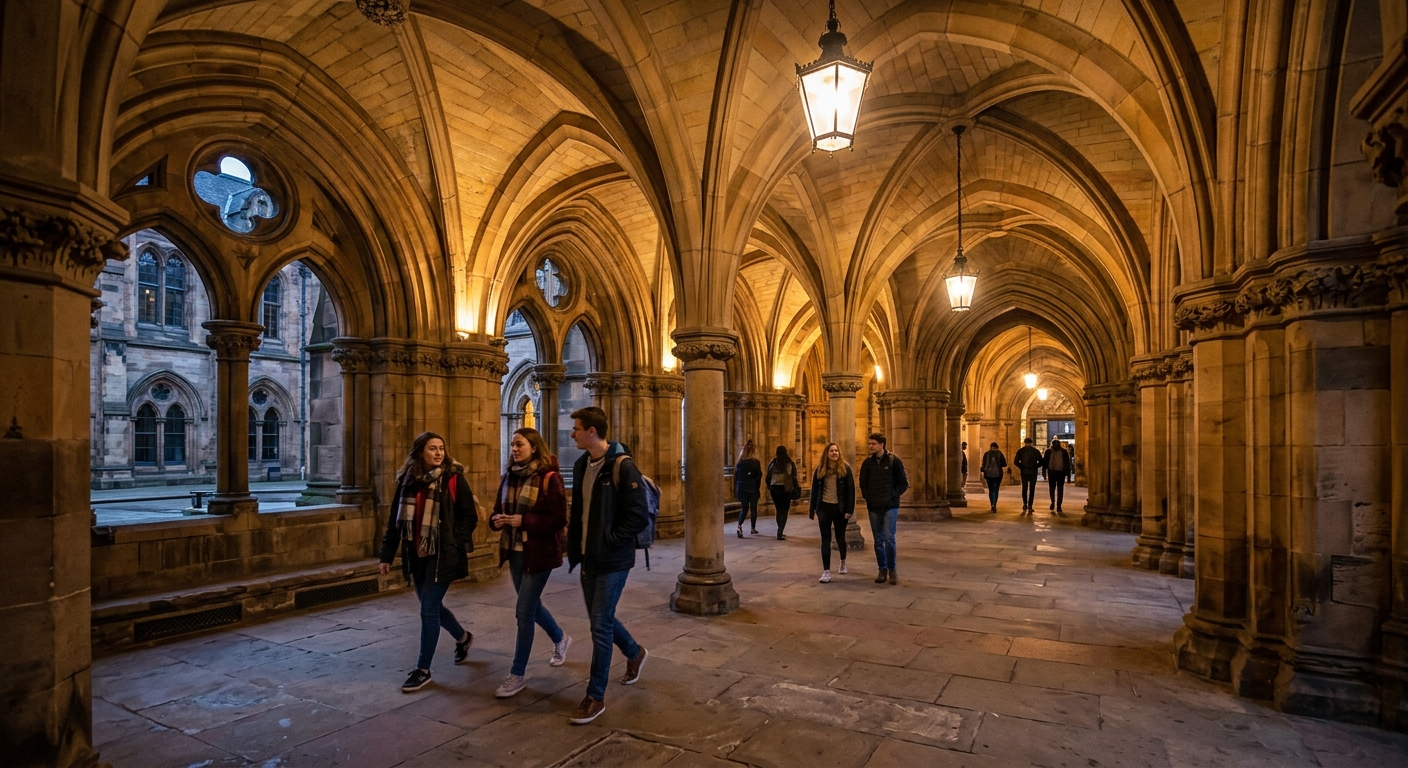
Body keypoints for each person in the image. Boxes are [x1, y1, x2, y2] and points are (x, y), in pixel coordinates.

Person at [565, 406, 649, 725]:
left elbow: (638, 513)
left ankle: (595, 696)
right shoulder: (581, 464)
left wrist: (613, 539)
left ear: (592, 432)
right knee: (601, 618)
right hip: (589, 556)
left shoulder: (622, 466)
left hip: (613, 558)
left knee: (599, 622)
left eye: (576, 428)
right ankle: (634, 652)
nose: (572, 433)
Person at [378, 431, 478, 693]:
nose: (438, 453)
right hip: (417, 556)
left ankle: (423, 669)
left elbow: (469, 516)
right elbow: (394, 522)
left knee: (428, 610)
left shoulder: (453, 479)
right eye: (432, 448)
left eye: (442, 448)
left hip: (442, 555)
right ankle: (463, 638)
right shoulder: (407, 481)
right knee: (431, 606)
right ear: (420, 452)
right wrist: (386, 556)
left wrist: (454, 542)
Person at [489, 427, 572, 698]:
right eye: (512, 444)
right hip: (514, 551)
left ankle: (517, 674)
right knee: (532, 604)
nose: (514, 449)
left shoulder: (549, 478)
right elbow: (496, 512)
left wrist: (522, 520)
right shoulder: (508, 478)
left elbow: (558, 519)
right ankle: (560, 637)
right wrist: (497, 520)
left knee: (523, 611)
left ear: (534, 447)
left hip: (540, 553)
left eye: (519, 444)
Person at [858, 433, 909, 585]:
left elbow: (904, 483)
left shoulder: (894, 460)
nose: (870, 446)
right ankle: (882, 569)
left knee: (888, 538)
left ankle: (892, 570)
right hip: (874, 506)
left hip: (890, 506)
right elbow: (863, 483)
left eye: (873, 443)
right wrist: (869, 497)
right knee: (878, 540)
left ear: (882, 445)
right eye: (869, 443)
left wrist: (892, 496)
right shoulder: (867, 463)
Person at [808, 442, 854, 583]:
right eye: (832, 451)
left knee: (840, 537)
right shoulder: (820, 469)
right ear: (826, 454)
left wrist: (849, 509)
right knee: (825, 539)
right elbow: (814, 490)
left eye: (836, 451)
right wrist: (812, 509)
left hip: (840, 509)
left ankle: (842, 562)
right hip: (824, 508)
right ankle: (826, 571)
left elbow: (851, 490)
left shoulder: (845, 468)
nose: (835, 453)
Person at [765, 445, 800, 540]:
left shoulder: (772, 463)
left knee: (778, 510)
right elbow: (792, 476)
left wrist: (769, 486)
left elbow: (768, 477)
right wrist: (796, 487)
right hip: (785, 489)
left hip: (774, 489)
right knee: (784, 511)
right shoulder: (788, 463)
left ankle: (780, 530)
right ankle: (780, 532)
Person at [734, 440, 763, 538]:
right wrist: (757, 487)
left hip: (742, 488)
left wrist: (737, 489)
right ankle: (752, 528)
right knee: (753, 508)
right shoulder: (755, 463)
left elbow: (736, 477)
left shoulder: (739, 463)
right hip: (752, 488)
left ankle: (739, 526)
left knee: (744, 508)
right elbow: (759, 476)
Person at [1013, 437, 1043, 515]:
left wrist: (1021, 466)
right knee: (1031, 489)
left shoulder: (1021, 451)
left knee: (1025, 488)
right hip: (1032, 472)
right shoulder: (1035, 451)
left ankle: (1025, 504)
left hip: (1025, 472)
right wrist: (1035, 466)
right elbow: (1041, 461)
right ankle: (1029, 505)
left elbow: (1016, 461)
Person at [1044, 439, 1072, 515]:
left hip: (1060, 473)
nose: (1056, 445)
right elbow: (1045, 462)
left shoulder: (1063, 452)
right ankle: (1053, 502)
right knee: (1053, 488)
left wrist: (1068, 475)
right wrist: (1044, 472)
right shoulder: (1048, 452)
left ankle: (1059, 505)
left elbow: (1067, 463)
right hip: (1052, 472)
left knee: (1059, 489)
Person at [980, 441, 1007, 513]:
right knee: (995, 489)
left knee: (991, 489)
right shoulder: (999, 454)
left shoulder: (986, 454)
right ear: (997, 448)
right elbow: (1004, 464)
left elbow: (983, 465)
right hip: (998, 474)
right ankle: (994, 504)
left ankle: (992, 503)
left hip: (988, 474)